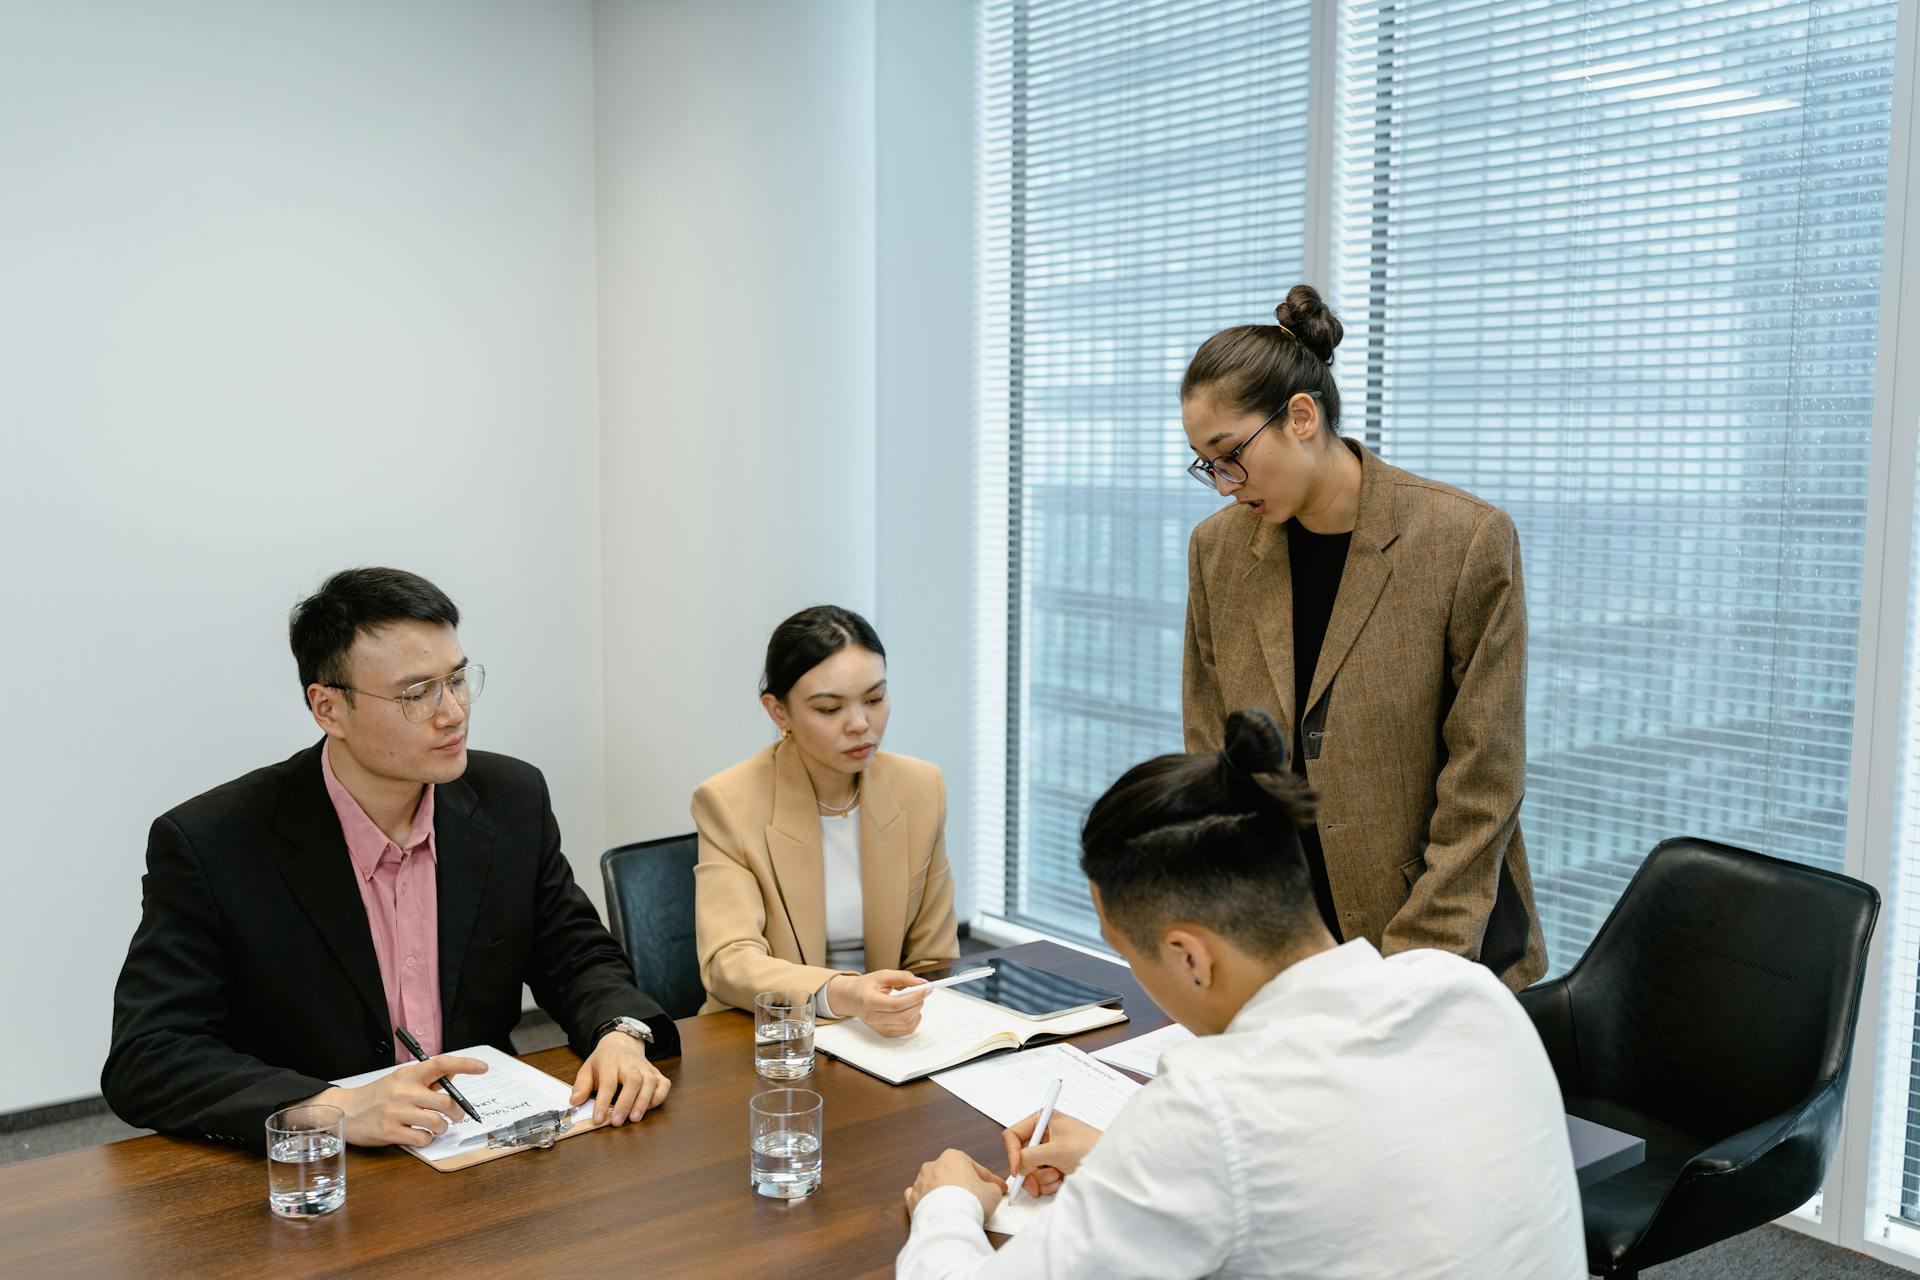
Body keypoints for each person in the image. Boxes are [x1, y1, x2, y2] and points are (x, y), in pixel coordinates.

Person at [896, 710, 1586, 1280]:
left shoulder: (1211, 1108)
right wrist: (1126, 1163)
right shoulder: (1468, 992)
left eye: (1127, 954)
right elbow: (1350, 1178)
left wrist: (950, 1203)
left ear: (1189, 956)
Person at [103, 568, 680, 1152]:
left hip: (486, 1148)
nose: (452, 712)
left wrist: (620, 1033)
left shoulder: (510, 799)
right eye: (415, 694)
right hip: (318, 1174)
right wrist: (333, 1107)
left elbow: (576, 954)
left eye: (456, 680)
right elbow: (150, 1054)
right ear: (328, 709)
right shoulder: (213, 841)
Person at [1181, 284, 1547, 989]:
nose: (1225, 484)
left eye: (1231, 455)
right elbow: (1212, 752)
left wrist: (1414, 965)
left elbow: (1484, 779)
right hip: (1289, 942)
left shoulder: (1462, 540)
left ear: (1300, 416)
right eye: (1207, 464)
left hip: (1443, 946)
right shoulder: (1217, 550)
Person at [692, 605, 958, 1035]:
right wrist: (843, 994)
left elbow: (934, 959)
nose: (860, 724)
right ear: (779, 713)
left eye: (874, 699)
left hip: (890, 1034)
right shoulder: (729, 801)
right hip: (773, 1036)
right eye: (830, 709)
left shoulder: (921, 787)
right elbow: (729, 961)